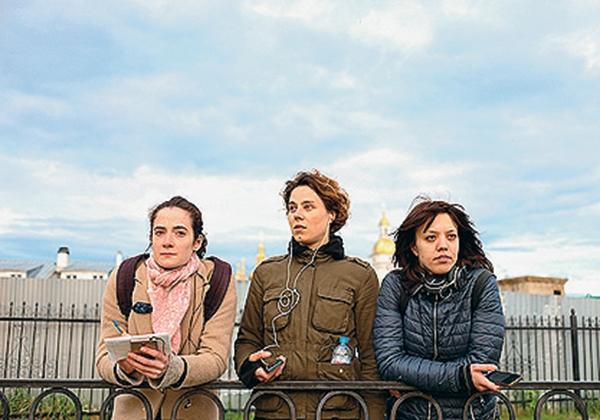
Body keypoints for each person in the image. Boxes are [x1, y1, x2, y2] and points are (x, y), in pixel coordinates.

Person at [234, 170, 385, 420]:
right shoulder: (267, 273)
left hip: (335, 413)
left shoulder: (359, 275)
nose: (297, 215)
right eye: (292, 208)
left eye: (308, 207)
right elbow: (247, 339)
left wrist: (374, 415)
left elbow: (371, 357)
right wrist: (252, 365)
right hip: (276, 412)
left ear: (331, 213)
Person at [96, 196, 237, 419]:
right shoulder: (125, 275)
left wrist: (172, 368)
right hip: (135, 410)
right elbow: (103, 356)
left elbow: (216, 358)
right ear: (151, 238)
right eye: (159, 232)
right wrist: (124, 367)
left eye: (180, 233)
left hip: (192, 411)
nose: (167, 242)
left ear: (197, 242)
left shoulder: (217, 279)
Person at [373, 197, 505, 420]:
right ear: (414, 247)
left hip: (472, 414)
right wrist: (461, 376)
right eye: (431, 237)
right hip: (411, 414)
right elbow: (390, 362)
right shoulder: (395, 286)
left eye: (451, 236)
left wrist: (414, 375)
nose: (443, 245)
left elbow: (481, 363)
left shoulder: (481, 284)